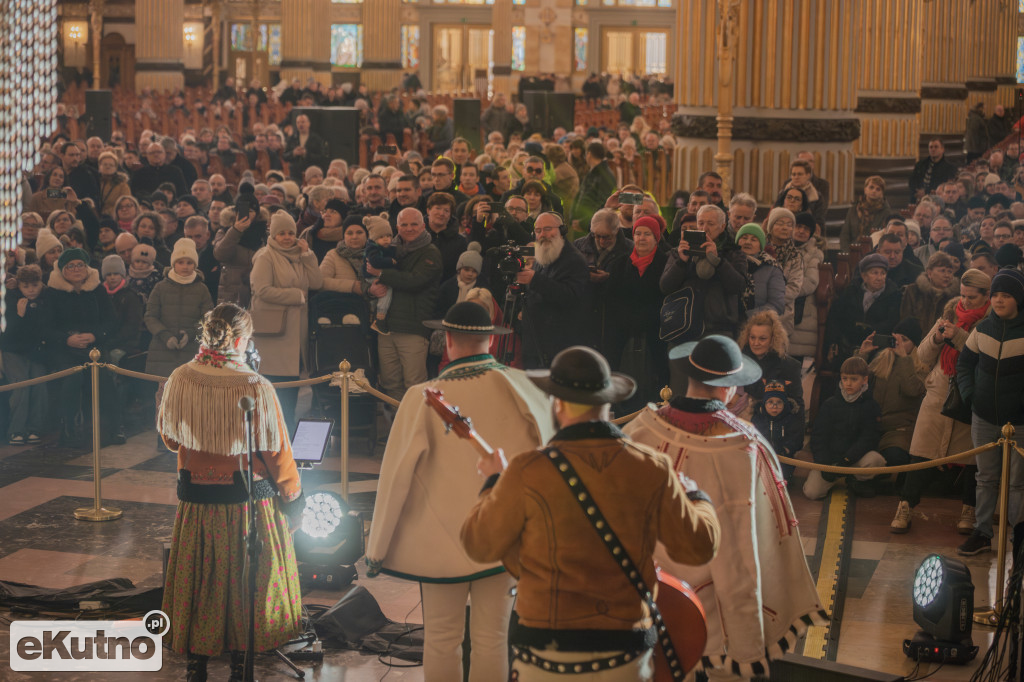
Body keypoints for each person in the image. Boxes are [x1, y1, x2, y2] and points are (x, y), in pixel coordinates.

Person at [462, 345, 720, 682]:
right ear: (607, 403)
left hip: (546, 656)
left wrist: (494, 481)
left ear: (557, 404)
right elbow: (698, 547)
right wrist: (697, 496)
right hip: (625, 654)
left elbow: (478, 544)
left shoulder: (528, 469)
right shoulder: (651, 467)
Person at [367, 302, 557, 682]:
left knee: (440, 638)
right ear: (491, 339)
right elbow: (552, 461)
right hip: (507, 533)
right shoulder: (526, 387)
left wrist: (377, 550)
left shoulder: (422, 396)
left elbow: (394, 478)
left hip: (441, 540)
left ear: (447, 340)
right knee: (493, 638)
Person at [624, 336, 825, 680]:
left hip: (643, 595)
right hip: (710, 610)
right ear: (731, 389)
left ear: (689, 376)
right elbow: (749, 548)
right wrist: (747, 641)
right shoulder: (744, 447)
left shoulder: (639, 430)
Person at [158, 303, 304, 682]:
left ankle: (197, 664)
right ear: (241, 340)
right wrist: (292, 496)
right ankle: (242, 661)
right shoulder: (256, 385)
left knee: (201, 578)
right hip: (245, 505)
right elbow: (276, 451)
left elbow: (172, 441)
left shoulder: (180, 377)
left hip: (197, 501)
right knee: (247, 579)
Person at [891, 269, 990, 534]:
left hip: (970, 393)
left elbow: (983, 355)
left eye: (972, 297)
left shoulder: (991, 321)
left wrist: (957, 335)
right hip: (939, 390)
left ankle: (968, 510)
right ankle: (905, 506)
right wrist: (937, 337)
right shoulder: (950, 311)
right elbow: (922, 355)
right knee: (920, 451)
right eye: (963, 295)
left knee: (971, 458)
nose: (966, 302)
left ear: (986, 296)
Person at [956, 268, 1024, 555]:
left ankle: (1018, 536)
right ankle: (982, 532)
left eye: (1005, 295)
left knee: (1017, 483)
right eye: (995, 294)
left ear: (1018, 299)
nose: (998, 300)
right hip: (983, 418)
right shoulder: (982, 330)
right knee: (985, 478)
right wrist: (971, 396)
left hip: (1020, 421)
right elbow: (964, 366)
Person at [249, 211, 323, 428]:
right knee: (277, 389)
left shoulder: (299, 255)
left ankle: (285, 439)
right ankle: (276, 438)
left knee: (290, 390)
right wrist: (296, 296)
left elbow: (317, 282)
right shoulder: (265, 256)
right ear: (273, 234)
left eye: (291, 232)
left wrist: (308, 255)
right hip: (274, 335)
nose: (287, 237)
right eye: (281, 233)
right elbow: (261, 290)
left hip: (294, 333)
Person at [43, 248, 115, 446]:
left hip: (94, 344)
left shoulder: (97, 289)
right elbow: (45, 327)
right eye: (71, 266)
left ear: (87, 267)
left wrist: (94, 335)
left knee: (103, 376)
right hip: (63, 348)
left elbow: (110, 320)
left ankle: (109, 428)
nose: (76, 269)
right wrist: (67, 339)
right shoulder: (52, 293)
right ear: (62, 270)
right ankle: (69, 428)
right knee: (72, 377)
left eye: (80, 264)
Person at [370, 207, 443, 400]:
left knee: (415, 385)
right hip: (386, 328)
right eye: (404, 224)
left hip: (413, 329)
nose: (409, 228)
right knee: (390, 383)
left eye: (414, 224)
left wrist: (382, 274)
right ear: (397, 227)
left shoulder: (431, 253)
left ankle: (416, 429)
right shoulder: (389, 250)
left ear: (423, 226)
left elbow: (414, 281)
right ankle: (396, 426)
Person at [804, 356, 886, 500]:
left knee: (876, 460)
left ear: (864, 380)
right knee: (812, 493)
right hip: (829, 461)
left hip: (853, 459)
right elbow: (818, 437)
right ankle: (827, 478)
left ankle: (856, 480)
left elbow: (869, 438)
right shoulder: (830, 404)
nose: (848, 383)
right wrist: (824, 464)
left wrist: (847, 459)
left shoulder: (871, 406)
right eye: (845, 378)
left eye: (854, 379)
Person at [516, 212, 590, 369]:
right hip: (535, 343)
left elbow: (571, 296)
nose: (543, 234)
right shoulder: (541, 255)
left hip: (558, 347)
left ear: (562, 231)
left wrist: (534, 280)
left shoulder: (574, 260)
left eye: (548, 229)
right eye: (538, 230)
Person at [144, 238, 214, 379]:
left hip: (192, 350)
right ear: (173, 263)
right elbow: (150, 316)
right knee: (164, 396)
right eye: (180, 262)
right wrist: (165, 335)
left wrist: (190, 334)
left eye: (189, 262)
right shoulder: (160, 287)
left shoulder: (202, 289)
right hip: (162, 351)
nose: (185, 266)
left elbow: (208, 320)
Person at [2, 265, 49, 445]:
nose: (31, 290)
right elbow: (7, 334)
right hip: (13, 350)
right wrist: (20, 316)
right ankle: (16, 429)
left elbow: (43, 328)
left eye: (35, 285)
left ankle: (34, 428)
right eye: (26, 286)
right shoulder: (10, 300)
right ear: (19, 286)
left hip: (36, 351)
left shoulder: (46, 299)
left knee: (39, 384)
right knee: (21, 385)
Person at [899, 252, 959, 337]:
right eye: (942, 271)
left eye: (950, 271)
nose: (947, 275)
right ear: (929, 272)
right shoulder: (913, 291)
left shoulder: (955, 297)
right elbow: (905, 321)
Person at [736, 222, 785, 316]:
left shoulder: (772, 268)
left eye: (754, 239)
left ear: (761, 246)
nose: (748, 242)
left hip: (757, 325)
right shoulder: (728, 262)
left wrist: (749, 316)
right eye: (744, 238)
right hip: (726, 324)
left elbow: (777, 304)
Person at [363, 214, 397, 334]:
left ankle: (375, 316)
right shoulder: (372, 248)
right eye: (381, 237)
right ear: (373, 237)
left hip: (377, 275)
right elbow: (375, 261)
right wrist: (390, 261)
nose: (386, 239)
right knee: (386, 291)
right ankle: (380, 318)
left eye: (388, 236)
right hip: (372, 277)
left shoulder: (387, 247)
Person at [839, 176, 891, 250]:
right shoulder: (854, 209)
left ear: (882, 193)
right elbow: (845, 235)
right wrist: (846, 253)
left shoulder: (886, 212)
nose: (874, 191)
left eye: (878, 189)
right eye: (871, 187)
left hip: (874, 251)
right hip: (853, 250)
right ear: (865, 189)